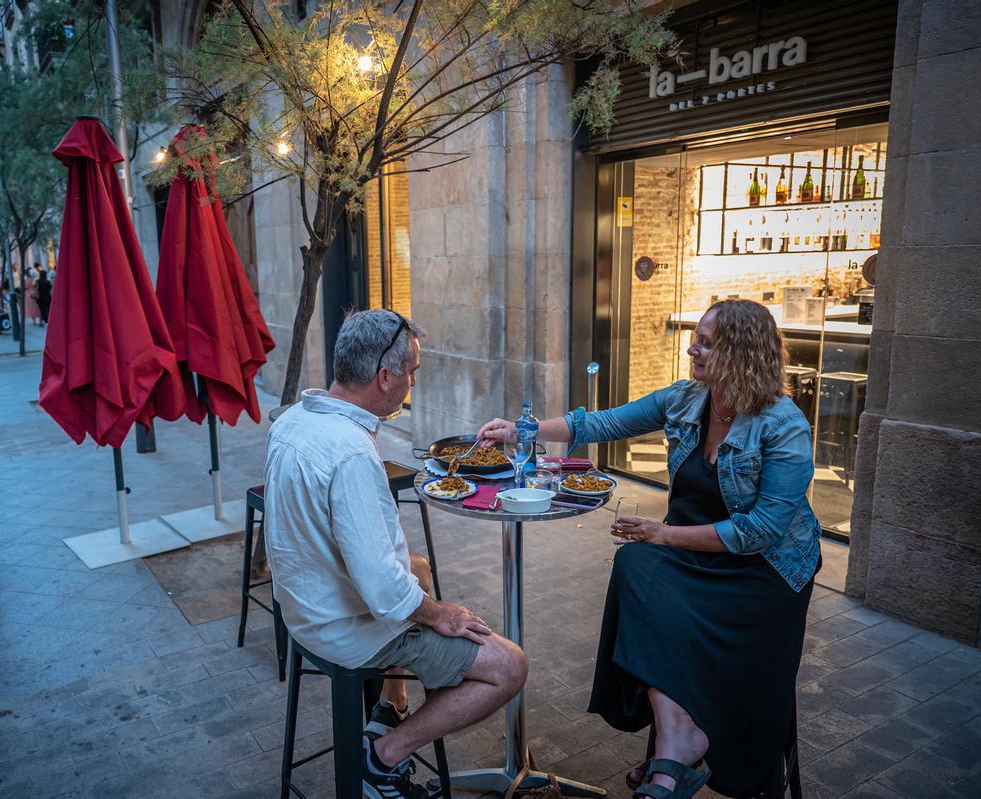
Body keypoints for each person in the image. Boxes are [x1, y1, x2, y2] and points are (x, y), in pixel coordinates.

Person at [478, 299, 820, 799]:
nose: (691, 348)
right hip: (693, 555)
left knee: (649, 564)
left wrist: (664, 534)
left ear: (741, 352)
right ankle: (677, 742)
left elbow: (763, 530)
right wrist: (519, 430)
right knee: (636, 565)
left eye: (705, 342)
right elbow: (601, 423)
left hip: (763, 573)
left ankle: (677, 751)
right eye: (696, 338)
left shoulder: (783, 425)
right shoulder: (687, 399)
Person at [266, 309, 529, 799]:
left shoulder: (296, 419)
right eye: (411, 372)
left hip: (301, 605)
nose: (412, 381)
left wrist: (417, 598)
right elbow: (386, 592)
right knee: (509, 665)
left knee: (420, 568)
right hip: (340, 627)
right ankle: (382, 759)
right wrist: (439, 615)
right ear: (385, 377)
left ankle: (392, 706)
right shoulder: (350, 452)